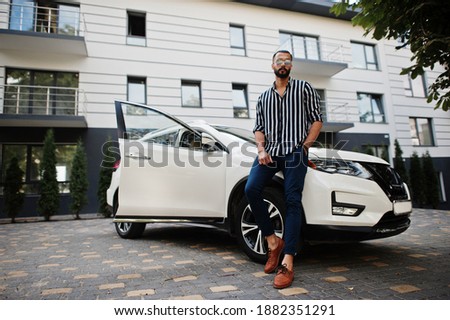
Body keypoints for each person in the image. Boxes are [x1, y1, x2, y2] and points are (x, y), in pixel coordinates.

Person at [245, 50, 323, 289]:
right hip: (270, 152)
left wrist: (305, 146)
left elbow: (317, 119)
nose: (283, 64)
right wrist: (261, 150)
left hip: (295, 152)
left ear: (291, 66)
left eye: (287, 61)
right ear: (272, 65)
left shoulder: (304, 88)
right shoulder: (263, 97)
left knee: (291, 200)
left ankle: (287, 259)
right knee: (251, 189)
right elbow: (259, 127)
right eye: (279, 61)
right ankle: (272, 242)